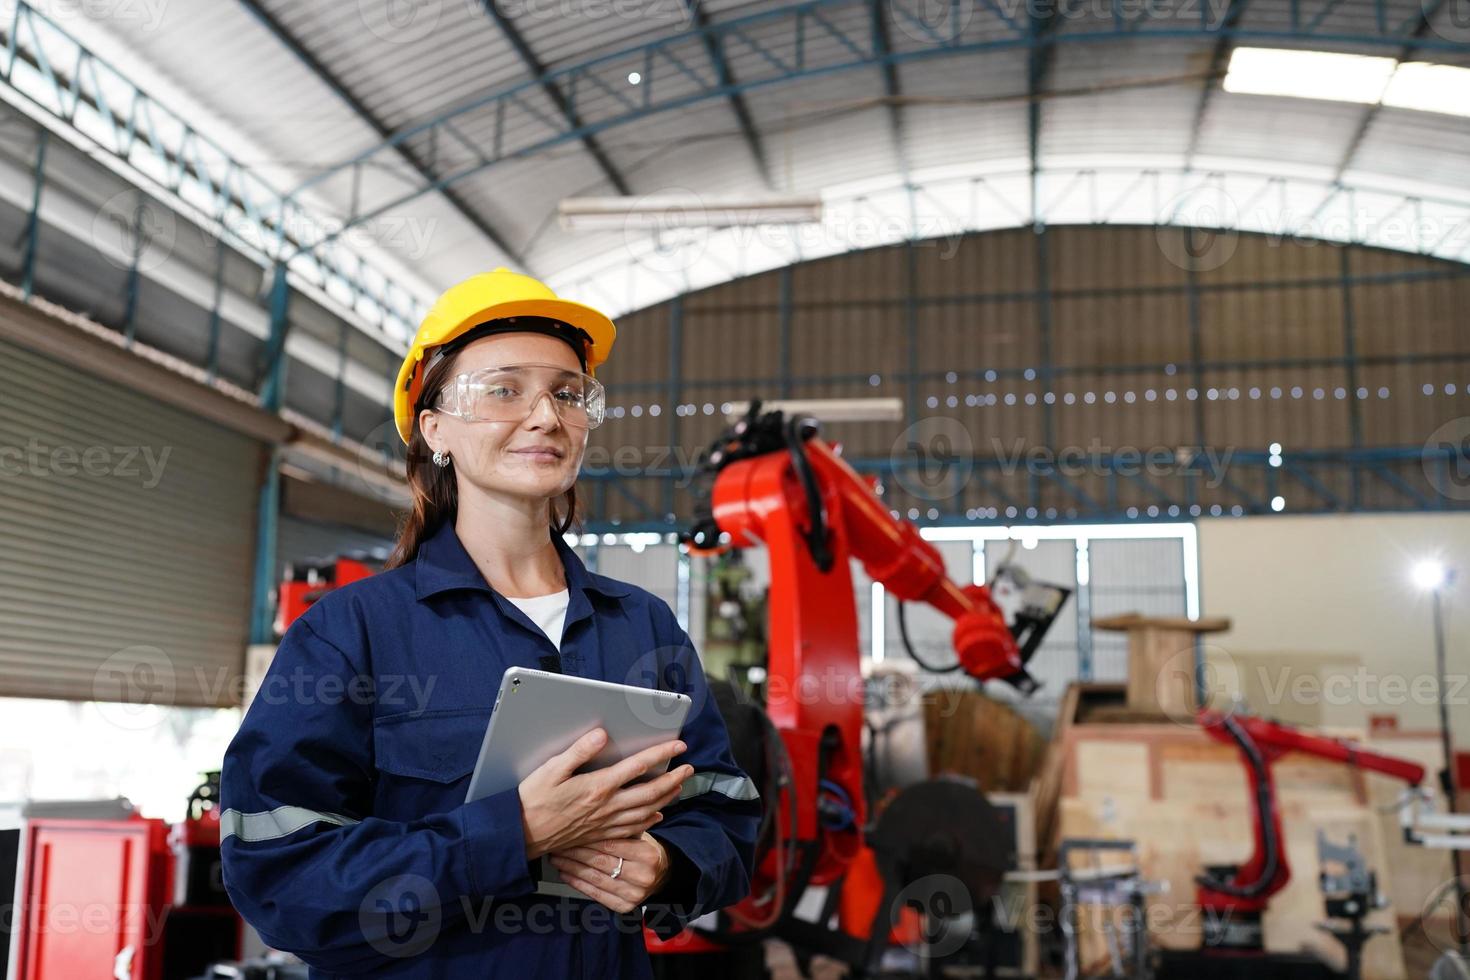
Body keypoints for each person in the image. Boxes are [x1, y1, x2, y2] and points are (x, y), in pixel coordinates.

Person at [220, 268, 761, 978]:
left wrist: (666, 867)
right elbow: (279, 876)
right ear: (434, 426)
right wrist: (514, 833)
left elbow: (726, 811)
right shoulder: (353, 632)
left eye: (567, 394)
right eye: (504, 389)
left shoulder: (643, 627)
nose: (545, 416)